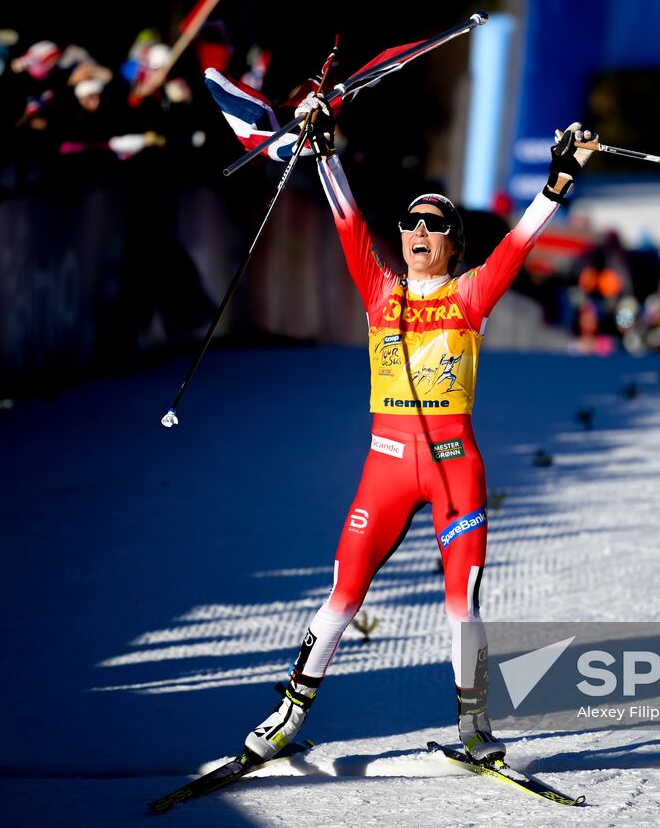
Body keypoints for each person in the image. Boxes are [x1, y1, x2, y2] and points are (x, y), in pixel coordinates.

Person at [243, 95, 598, 764]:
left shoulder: (471, 295)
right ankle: (290, 713)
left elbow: (519, 244)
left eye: (433, 223)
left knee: (461, 603)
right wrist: (323, 148)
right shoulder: (380, 292)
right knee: (342, 595)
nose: (417, 229)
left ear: (454, 244)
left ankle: (473, 725)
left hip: (455, 470)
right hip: (384, 469)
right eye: (409, 220)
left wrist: (556, 184)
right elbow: (348, 222)